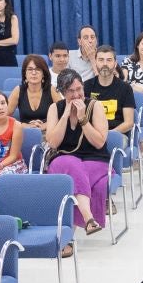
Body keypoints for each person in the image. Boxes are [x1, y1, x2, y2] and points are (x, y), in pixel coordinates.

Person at [45, 69, 112, 235]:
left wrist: (83, 119)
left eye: (79, 89)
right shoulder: (55, 108)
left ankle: (68, 237)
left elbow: (99, 142)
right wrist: (65, 116)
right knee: (71, 163)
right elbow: (53, 142)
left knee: (74, 177)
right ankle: (88, 218)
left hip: (95, 159)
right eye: (70, 91)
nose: (76, 95)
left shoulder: (94, 106)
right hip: (63, 160)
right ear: (62, 92)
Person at [84, 45, 141, 145]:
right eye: (101, 60)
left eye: (109, 60)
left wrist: (108, 135)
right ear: (95, 62)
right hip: (92, 135)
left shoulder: (125, 88)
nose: (104, 64)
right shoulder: (86, 86)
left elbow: (128, 123)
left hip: (117, 135)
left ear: (115, 64)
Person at [12, 53, 57, 128]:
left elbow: (64, 114)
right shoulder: (18, 90)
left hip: (48, 133)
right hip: (24, 133)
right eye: (30, 69)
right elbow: (4, 116)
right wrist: (23, 125)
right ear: (25, 73)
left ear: (43, 74)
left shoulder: (51, 89)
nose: (33, 73)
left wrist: (45, 125)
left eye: (38, 69)